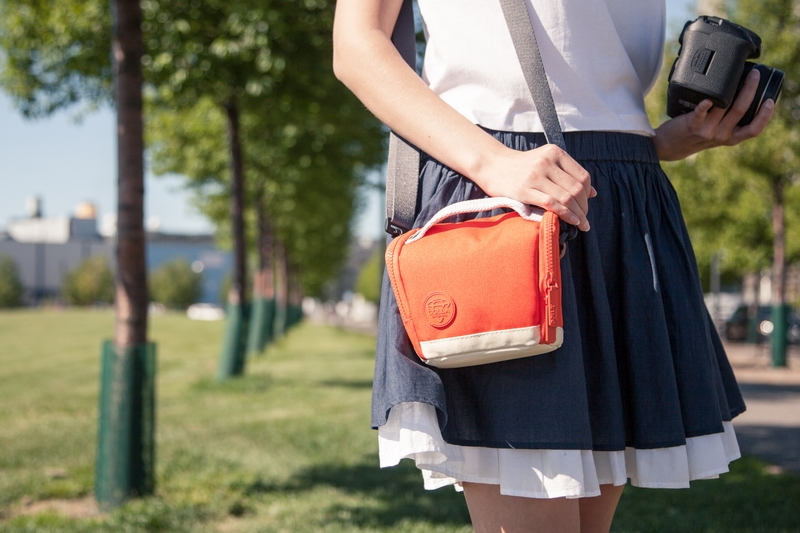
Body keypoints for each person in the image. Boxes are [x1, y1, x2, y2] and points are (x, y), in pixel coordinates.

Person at [332, 1, 774, 531]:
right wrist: (491, 163)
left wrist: (668, 140)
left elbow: (593, 81)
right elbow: (357, 45)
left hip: (624, 195)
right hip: (503, 198)